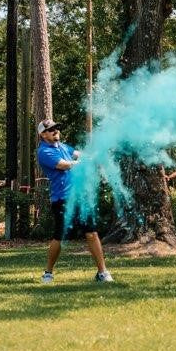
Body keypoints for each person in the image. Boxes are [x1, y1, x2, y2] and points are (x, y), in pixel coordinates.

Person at [36, 119, 113, 283]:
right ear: (43, 134)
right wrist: (84, 162)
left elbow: (80, 154)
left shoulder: (64, 147)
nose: (55, 131)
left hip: (81, 197)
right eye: (51, 130)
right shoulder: (44, 152)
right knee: (60, 237)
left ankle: (103, 273)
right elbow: (64, 165)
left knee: (91, 233)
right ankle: (48, 273)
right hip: (62, 199)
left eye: (56, 128)